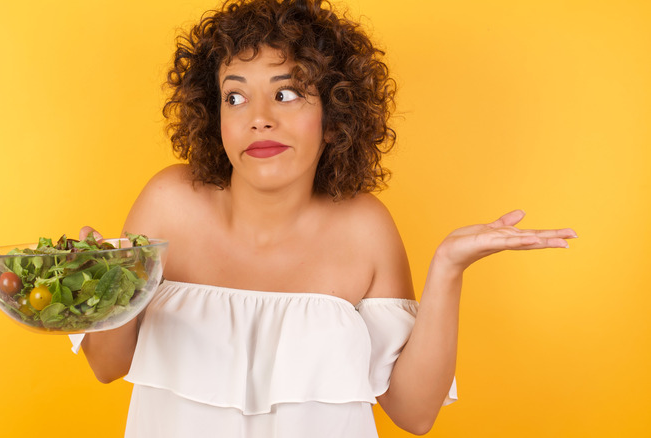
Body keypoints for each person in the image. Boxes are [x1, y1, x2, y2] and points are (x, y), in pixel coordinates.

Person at [70, 0, 577, 436]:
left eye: (286, 93)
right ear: (215, 116)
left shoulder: (365, 228)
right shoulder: (168, 203)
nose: (259, 116)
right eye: (235, 96)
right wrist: (107, 281)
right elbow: (106, 364)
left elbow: (415, 412)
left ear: (335, 119)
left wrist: (448, 267)